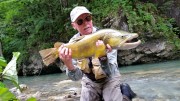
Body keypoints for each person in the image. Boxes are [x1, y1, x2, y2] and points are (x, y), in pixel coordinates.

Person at [58, 6, 136, 101]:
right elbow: (76, 77)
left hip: (110, 79)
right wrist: (69, 64)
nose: (85, 23)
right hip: (90, 82)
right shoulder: (72, 44)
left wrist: (103, 57)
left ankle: (125, 92)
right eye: (80, 21)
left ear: (91, 19)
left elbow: (110, 72)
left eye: (88, 18)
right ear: (74, 25)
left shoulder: (106, 37)